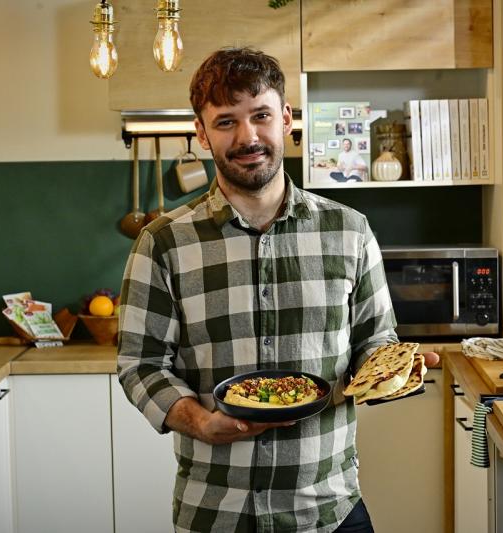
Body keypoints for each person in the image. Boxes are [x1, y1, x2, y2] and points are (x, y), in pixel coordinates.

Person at [117, 47, 439, 533]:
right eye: (226, 122)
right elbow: (140, 364)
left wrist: (396, 369)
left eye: (261, 115)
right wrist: (200, 422)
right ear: (202, 134)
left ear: (286, 119)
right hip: (216, 511)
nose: (247, 137)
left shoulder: (349, 231)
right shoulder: (163, 242)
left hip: (329, 509)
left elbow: (378, 342)